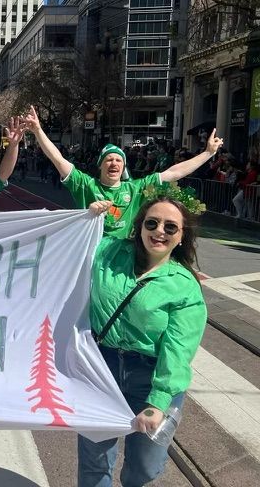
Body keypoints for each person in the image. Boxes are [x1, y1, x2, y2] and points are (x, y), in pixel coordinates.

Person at [81, 195, 207, 487]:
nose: (159, 230)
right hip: (102, 369)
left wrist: (159, 400)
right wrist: (87, 218)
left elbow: (178, 350)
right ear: (139, 227)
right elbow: (71, 244)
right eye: (152, 222)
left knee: (144, 469)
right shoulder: (110, 252)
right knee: (94, 463)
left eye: (170, 227)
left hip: (151, 376)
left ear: (181, 237)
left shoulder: (185, 285)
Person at [23, 105, 224, 237]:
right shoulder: (85, 184)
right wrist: (38, 131)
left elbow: (174, 173)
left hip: (123, 257)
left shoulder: (135, 189)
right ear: (100, 164)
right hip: (90, 254)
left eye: (119, 160)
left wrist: (207, 153)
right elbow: (58, 159)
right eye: (109, 159)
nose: (114, 163)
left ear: (123, 167)